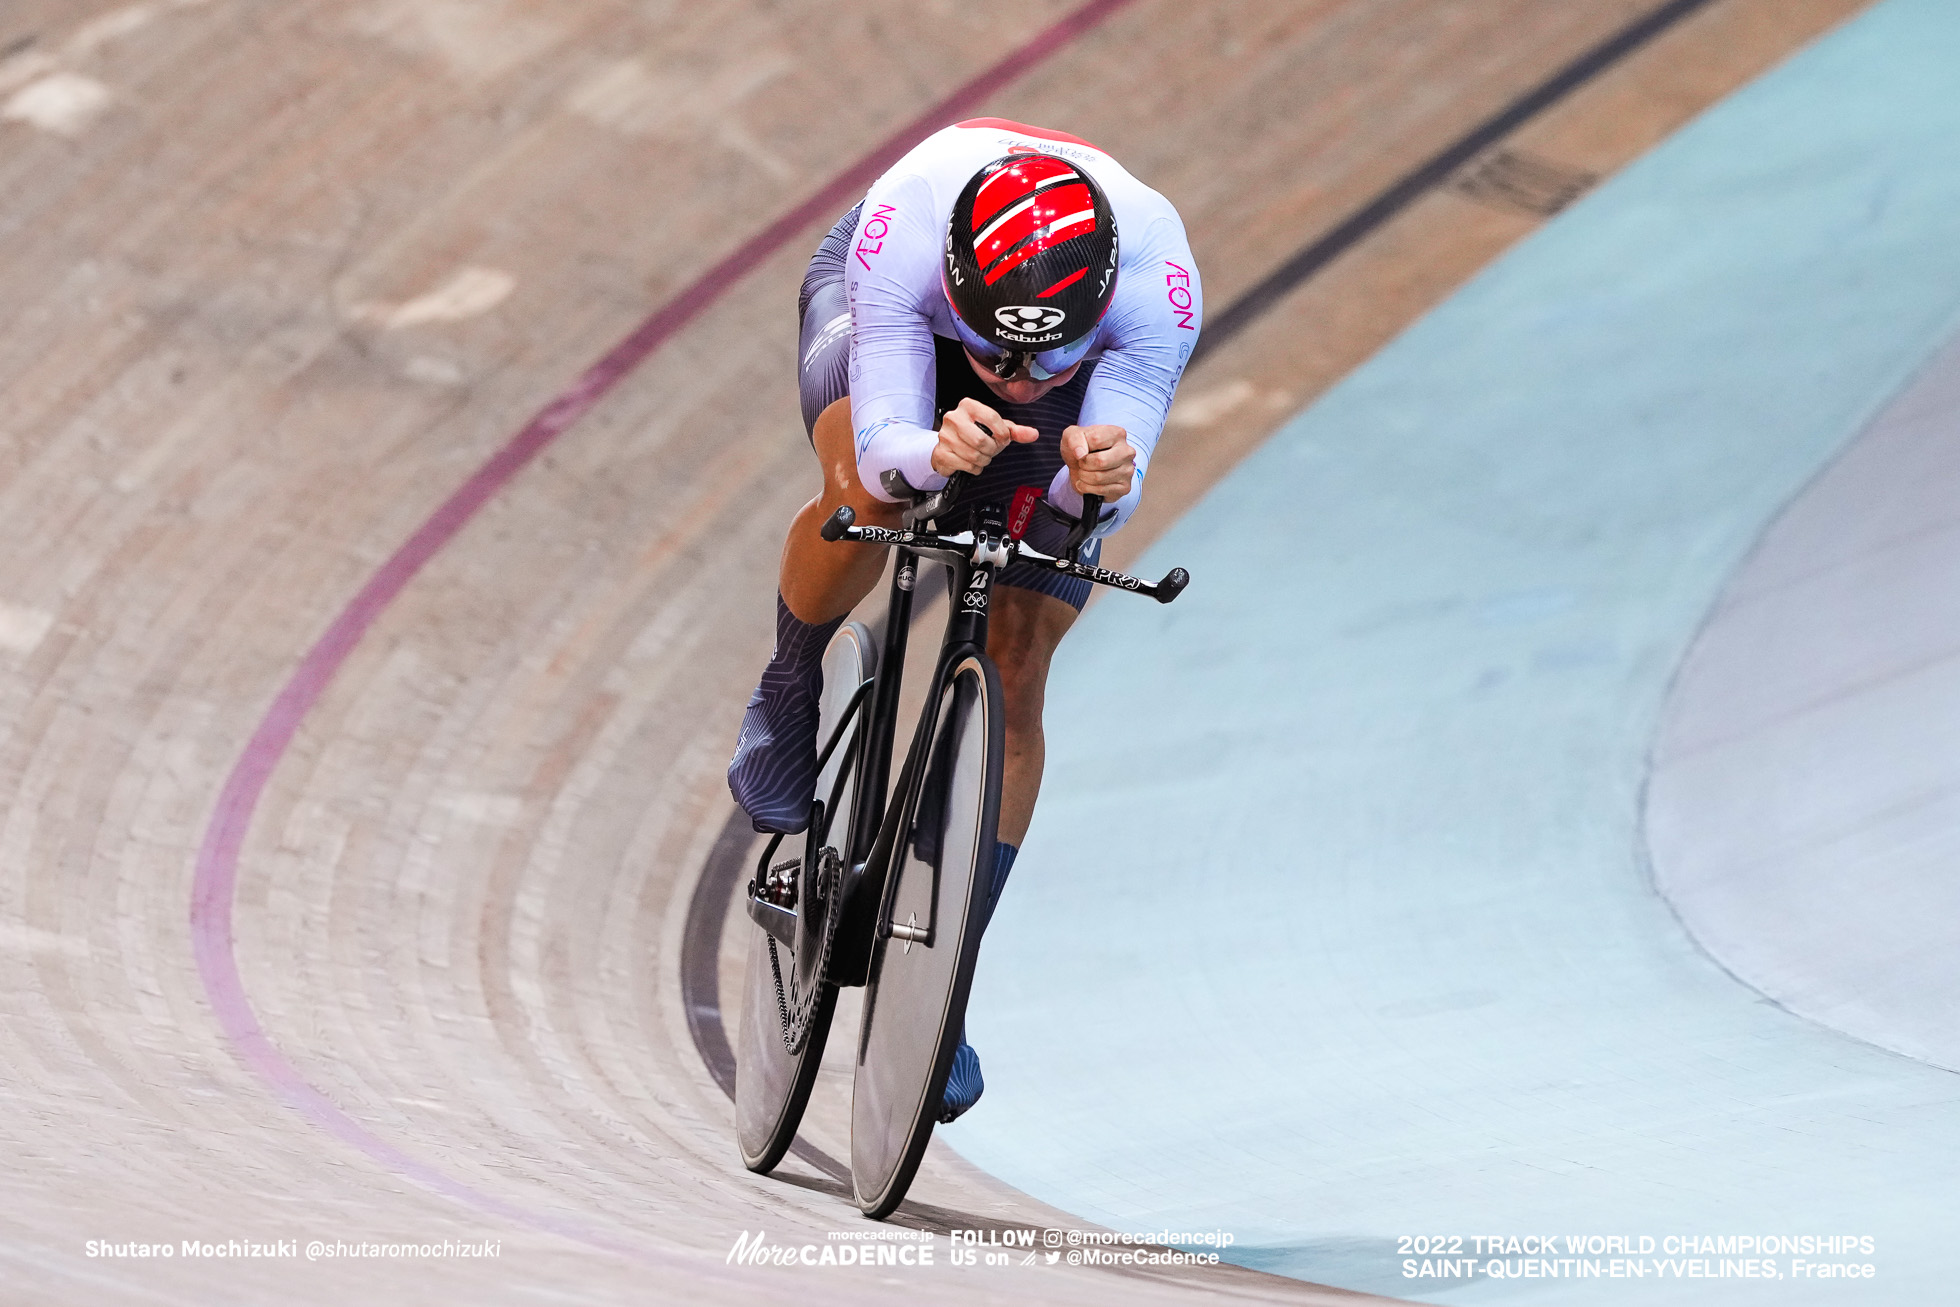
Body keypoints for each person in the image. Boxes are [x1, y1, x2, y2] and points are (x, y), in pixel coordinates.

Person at [728, 118, 1202, 1119]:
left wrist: (1096, 482)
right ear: (959, 291)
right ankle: (788, 686)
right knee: (867, 491)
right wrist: (932, 450)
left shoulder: (1156, 285)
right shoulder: (904, 237)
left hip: (1043, 351)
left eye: (1047, 363)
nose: (1022, 381)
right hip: (894, 343)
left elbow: (1105, 496)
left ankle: (939, 983)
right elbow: (890, 441)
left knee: (1018, 659)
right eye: (998, 356)